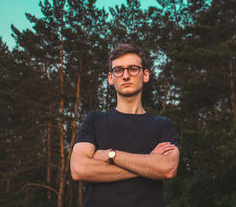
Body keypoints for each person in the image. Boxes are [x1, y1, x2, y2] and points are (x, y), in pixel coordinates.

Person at [70, 43, 180, 207]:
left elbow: (167, 168)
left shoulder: (163, 125)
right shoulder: (94, 120)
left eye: (133, 69)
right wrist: (149, 165)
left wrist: (111, 155)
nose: (126, 76)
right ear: (110, 78)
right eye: (118, 70)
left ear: (145, 75)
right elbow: (79, 169)